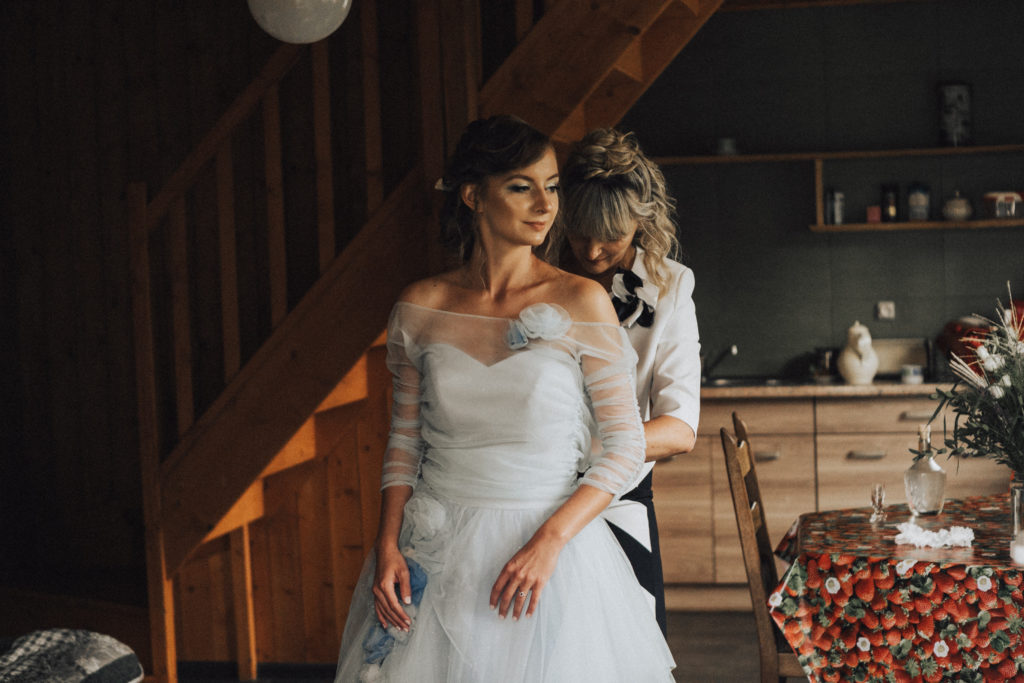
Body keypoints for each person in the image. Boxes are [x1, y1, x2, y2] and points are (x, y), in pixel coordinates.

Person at [333, 115, 675, 682]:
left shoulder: (582, 300)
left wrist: (551, 542)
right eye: (522, 186)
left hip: (551, 556)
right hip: (437, 550)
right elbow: (404, 441)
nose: (545, 203)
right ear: (473, 195)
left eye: (552, 186)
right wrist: (387, 544)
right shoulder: (420, 307)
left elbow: (623, 445)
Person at [557, 127, 701, 635]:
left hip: (618, 498)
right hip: (527, 499)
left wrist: (583, 449)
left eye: (611, 236)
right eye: (578, 231)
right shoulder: (531, 282)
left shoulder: (671, 286)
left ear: (641, 223)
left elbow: (680, 428)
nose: (592, 251)